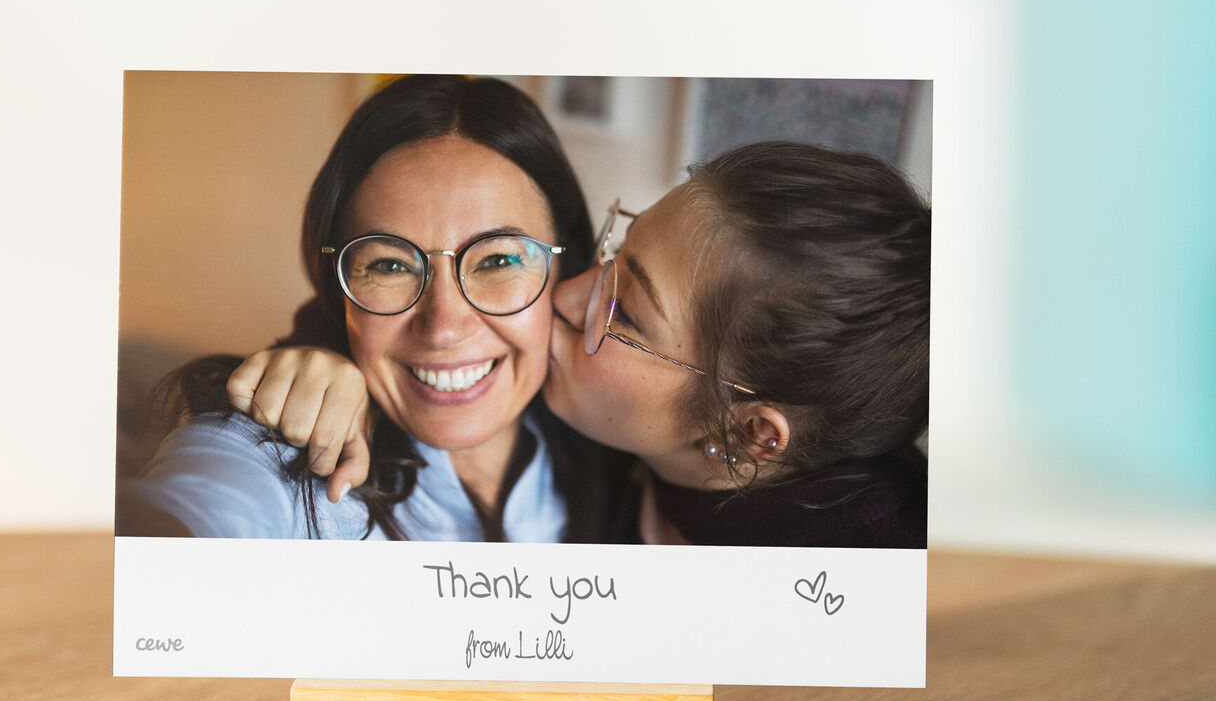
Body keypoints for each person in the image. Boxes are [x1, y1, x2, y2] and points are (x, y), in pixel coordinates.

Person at [231, 141, 930, 548]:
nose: (564, 296)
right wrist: (329, 352)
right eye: (614, 250)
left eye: (621, 310)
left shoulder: (874, 574)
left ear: (749, 433)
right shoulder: (612, 436)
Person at [117, 75, 625, 542]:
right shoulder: (275, 449)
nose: (444, 327)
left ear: (568, 265)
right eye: (389, 266)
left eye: (498, 260)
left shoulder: (621, 456)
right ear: (337, 288)